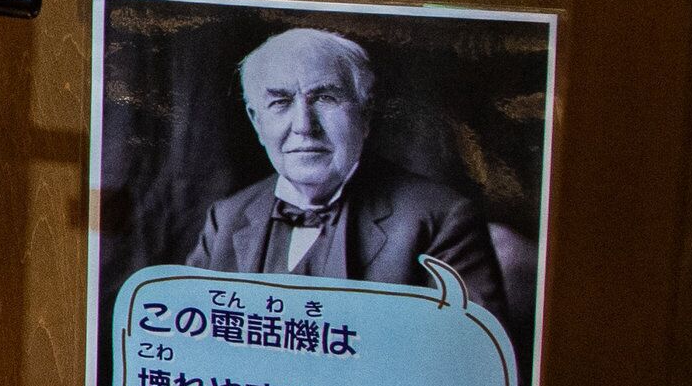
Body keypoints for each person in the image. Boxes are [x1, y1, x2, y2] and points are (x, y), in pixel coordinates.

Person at [187, 27, 510, 316]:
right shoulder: (226, 218)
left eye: (325, 98)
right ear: (257, 122)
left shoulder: (440, 219)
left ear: (365, 116)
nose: (303, 126)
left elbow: (470, 366)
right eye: (281, 103)